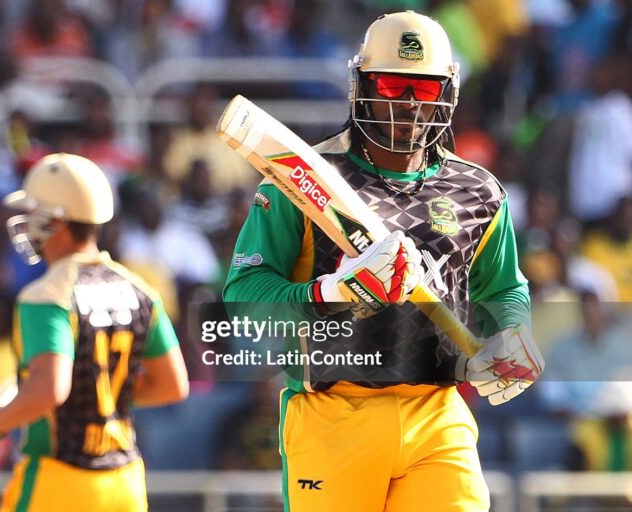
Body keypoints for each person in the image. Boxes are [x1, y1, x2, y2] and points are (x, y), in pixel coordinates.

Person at [223, 11, 544, 511]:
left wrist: (512, 331)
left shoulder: (479, 192)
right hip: (332, 412)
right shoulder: (300, 182)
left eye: (426, 89)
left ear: (448, 94)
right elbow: (245, 300)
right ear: (363, 85)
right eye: (394, 85)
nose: (411, 105)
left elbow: (503, 288)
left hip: (438, 411)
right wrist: (333, 292)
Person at [0, 153, 189, 511]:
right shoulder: (142, 290)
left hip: (61, 480)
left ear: (57, 221)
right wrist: (99, 397)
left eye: (34, 213)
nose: (27, 223)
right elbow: (172, 385)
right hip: (125, 481)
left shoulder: (46, 294)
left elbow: (49, 390)